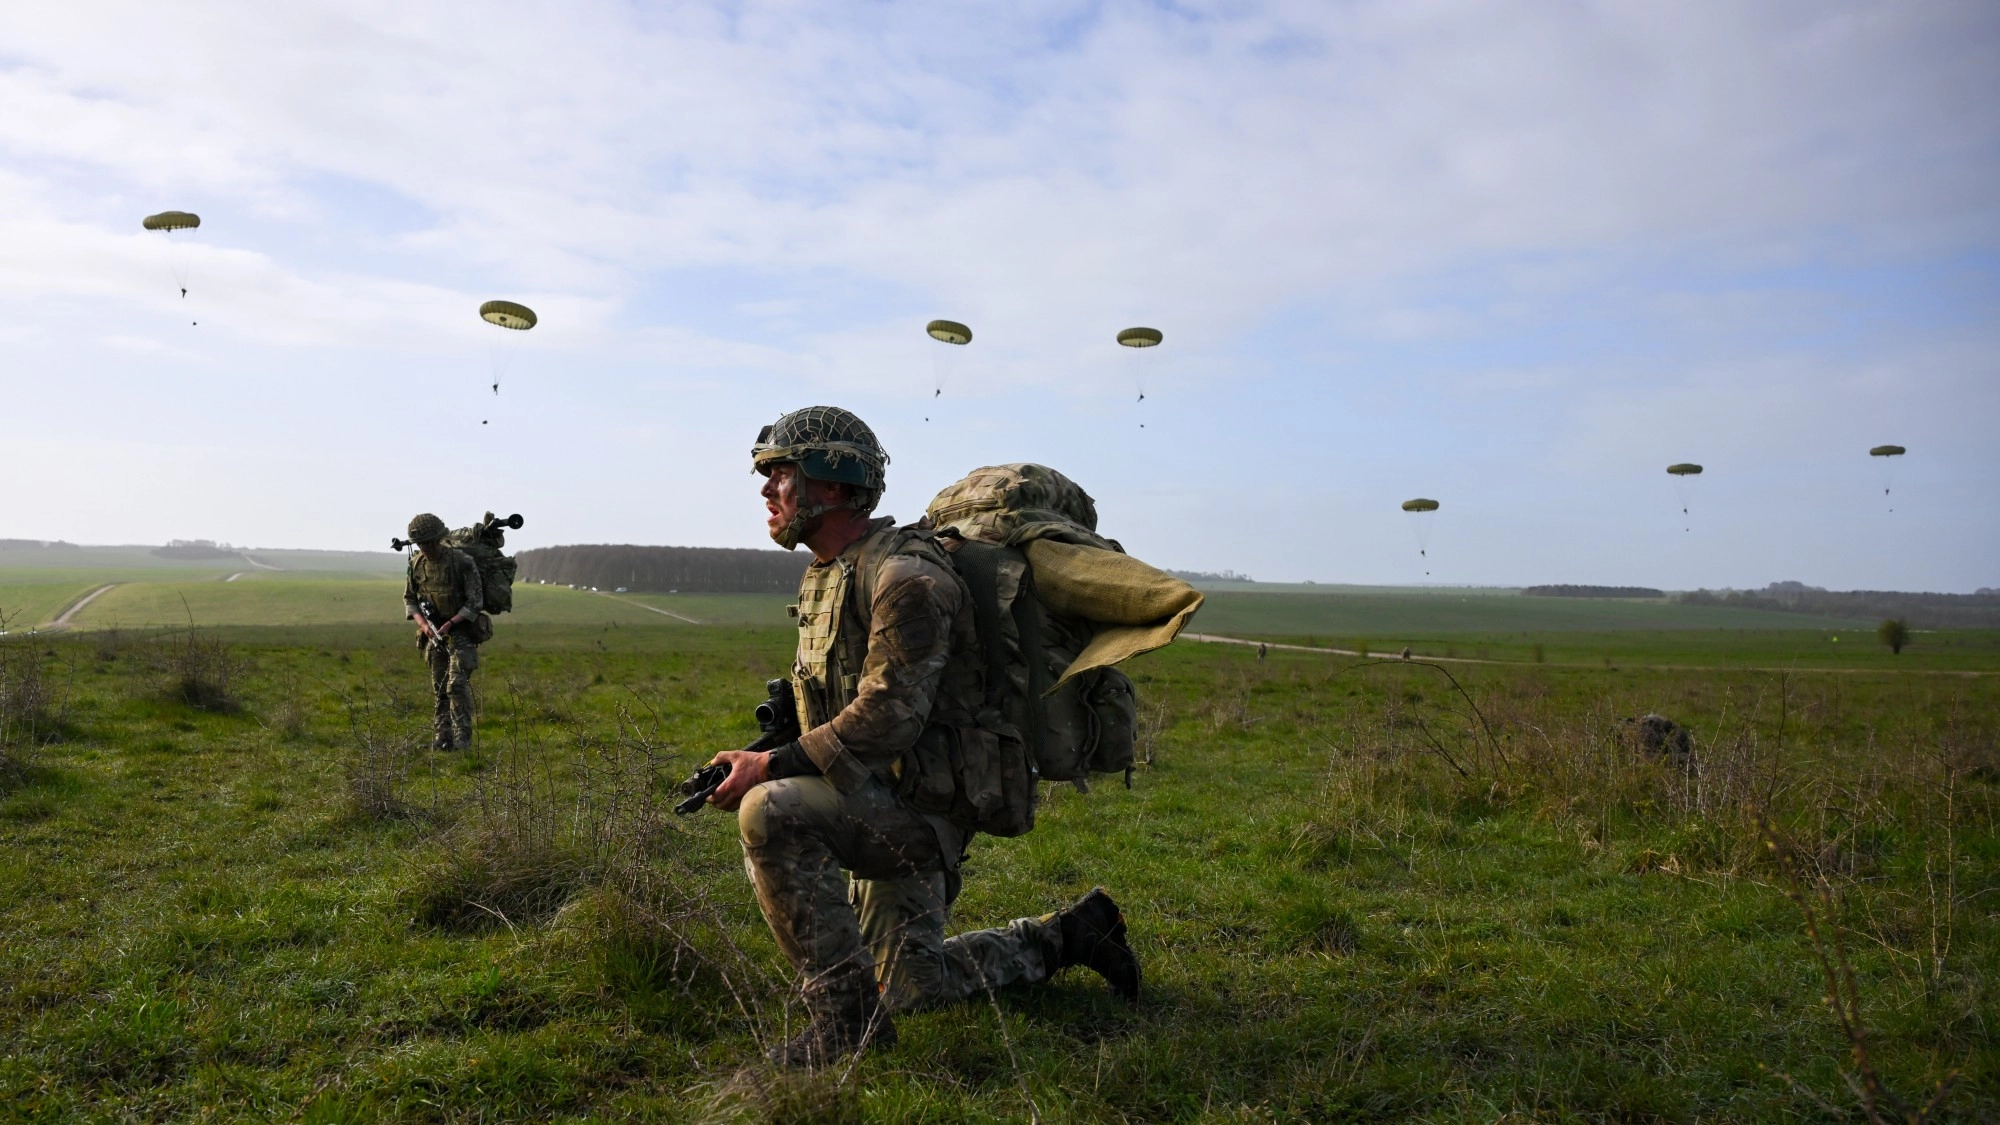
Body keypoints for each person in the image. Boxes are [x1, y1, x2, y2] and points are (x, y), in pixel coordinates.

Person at [705, 406, 1139, 1068]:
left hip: (923, 809)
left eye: (781, 473)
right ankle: (1072, 935)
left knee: (772, 811)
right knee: (912, 986)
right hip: (878, 790)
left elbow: (888, 718)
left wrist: (769, 766)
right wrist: (778, 740)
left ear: (831, 482)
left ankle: (845, 1023)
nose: (767, 488)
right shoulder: (829, 572)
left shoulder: (908, 577)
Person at [401, 513, 485, 750]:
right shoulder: (416, 564)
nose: (425, 549)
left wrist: (452, 623)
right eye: (421, 544)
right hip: (433, 634)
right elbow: (409, 599)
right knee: (440, 688)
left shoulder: (462, 562)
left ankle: (463, 743)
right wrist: (424, 625)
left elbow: (475, 601)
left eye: (429, 543)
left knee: (456, 686)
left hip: (461, 631)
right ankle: (442, 740)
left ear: (438, 539)